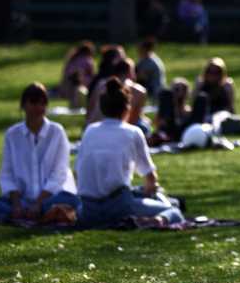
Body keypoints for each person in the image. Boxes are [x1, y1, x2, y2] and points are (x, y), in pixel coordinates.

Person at [0, 83, 81, 222]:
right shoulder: (12, 134)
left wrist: (38, 204)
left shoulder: (57, 132)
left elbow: (59, 174)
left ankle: (41, 212)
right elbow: (7, 174)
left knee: (72, 201)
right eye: (33, 103)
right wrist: (16, 205)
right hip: (23, 200)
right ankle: (29, 214)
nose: (38, 108)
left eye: (42, 103)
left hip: (52, 198)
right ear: (23, 105)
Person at [75, 78, 183, 227]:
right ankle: (157, 220)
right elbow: (150, 179)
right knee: (174, 211)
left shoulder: (90, 131)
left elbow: (79, 172)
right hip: (119, 207)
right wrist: (148, 191)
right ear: (127, 108)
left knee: (133, 193)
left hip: (88, 211)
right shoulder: (133, 132)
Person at [190, 57, 235, 125]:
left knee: (217, 118)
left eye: (217, 72)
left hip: (222, 115)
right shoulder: (201, 83)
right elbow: (193, 103)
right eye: (210, 72)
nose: (213, 75)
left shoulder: (227, 85)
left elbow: (231, 106)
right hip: (205, 115)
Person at [151, 78, 192, 146]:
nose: (179, 92)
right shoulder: (165, 110)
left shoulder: (188, 110)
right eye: (176, 89)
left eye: (183, 89)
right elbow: (158, 124)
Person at [60, 42, 96, 107]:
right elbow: (92, 74)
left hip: (67, 84)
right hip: (78, 82)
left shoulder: (73, 58)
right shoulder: (88, 60)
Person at [134, 39, 166, 103]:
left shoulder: (151, 62)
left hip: (154, 92)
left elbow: (140, 77)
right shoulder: (145, 59)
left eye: (140, 49)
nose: (138, 51)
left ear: (145, 49)